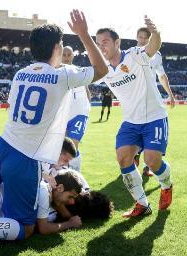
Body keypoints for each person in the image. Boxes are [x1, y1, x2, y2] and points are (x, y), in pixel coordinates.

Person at [0, 9, 108, 243]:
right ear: (57, 48)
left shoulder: (20, 74)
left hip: (2, 144)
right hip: (25, 158)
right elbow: (102, 70)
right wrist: (84, 35)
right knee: (25, 228)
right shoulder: (63, 75)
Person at [96, 16, 173, 218]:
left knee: (152, 161)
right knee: (123, 158)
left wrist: (155, 32)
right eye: (98, 43)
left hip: (154, 117)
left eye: (105, 42)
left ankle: (166, 185)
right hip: (130, 121)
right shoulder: (103, 70)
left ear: (117, 42)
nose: (101, 46)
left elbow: (153, 47)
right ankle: (142, 204)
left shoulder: (135, 55)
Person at [135, 27, 176, 177]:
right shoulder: (131, 54)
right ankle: (136, 154)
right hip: (135, 101)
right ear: (137, 38)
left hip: (152, 101)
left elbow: (162, 76)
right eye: (140, 37)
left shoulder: (156, 56)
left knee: (151, 132)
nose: (143, 40)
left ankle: (146, 167)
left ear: (151, 39)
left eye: (146, 38)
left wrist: (170, 94)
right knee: (136, 128)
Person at [62, 45, 92, 171]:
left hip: (79, 113)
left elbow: (87, 92)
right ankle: (63, 172)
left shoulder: (80, 71)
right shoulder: (55, 72)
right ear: (60, 55)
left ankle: (76, 176)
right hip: (63, 114)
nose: (67, 57)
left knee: (73, 144)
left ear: (73, 56)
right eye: (64, 54)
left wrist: (87, 109)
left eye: (69, 54)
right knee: (62, 146)